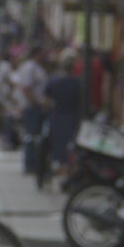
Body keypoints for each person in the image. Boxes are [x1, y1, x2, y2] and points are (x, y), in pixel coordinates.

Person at [41, 51, 82, 183]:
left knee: (58, 149)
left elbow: (46, 102)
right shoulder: (77, 82)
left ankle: (61, 174)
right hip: (72, 118)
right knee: (71, 148)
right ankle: (68, 176)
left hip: (57, 117)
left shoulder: (53, 80)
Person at [14, 44, 48, 174]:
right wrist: (37, 102)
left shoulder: (35, 67)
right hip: (32, 107)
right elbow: (26, 87)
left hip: (34, 106)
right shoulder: (30, 67)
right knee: (31, 136)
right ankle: (30, 164)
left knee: (35, 136)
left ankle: (34, 163)